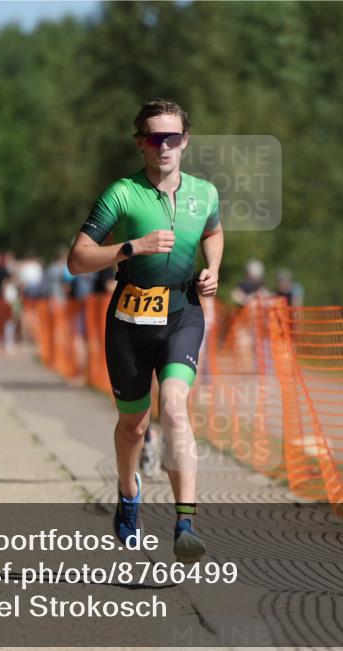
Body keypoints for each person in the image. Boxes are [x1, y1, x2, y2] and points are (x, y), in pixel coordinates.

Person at [67, 98, 223, 563]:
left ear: (185, 141)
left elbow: (213, 231)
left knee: (174, 407)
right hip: (130, 319)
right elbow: (77, 260)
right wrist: (131, 246)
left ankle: (185, 524)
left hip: (183, 311)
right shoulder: (121, 193)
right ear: (141, 143)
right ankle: (128, 492)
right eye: (155, 138)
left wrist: (213, 268)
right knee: (134, 426)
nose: (165, 146)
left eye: (173, 137)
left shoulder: (205, 193)